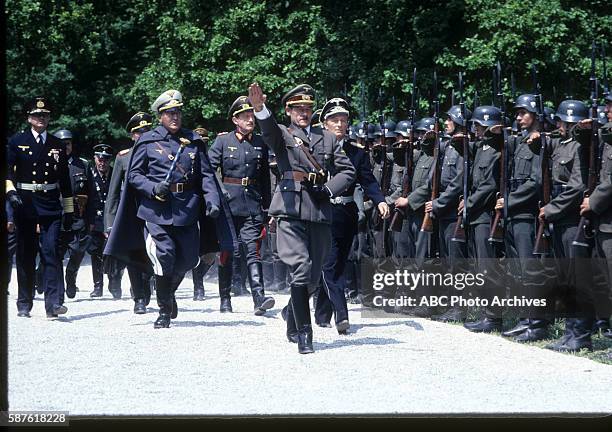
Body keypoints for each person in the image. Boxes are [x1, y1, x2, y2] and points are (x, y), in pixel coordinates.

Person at [104, 89, 235, 328]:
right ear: (160, 116)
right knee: (164, 256)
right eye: (169, 113)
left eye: (178, 112)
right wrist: (153, 188)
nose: (175, 117)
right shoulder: (147, 141)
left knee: (187, 260)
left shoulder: (192, 141)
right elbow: (134, 175)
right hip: (156, 211)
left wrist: (213, 200)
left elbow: (206, 176)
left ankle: (168, 292)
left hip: (187, 209)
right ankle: (164, 311)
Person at [248, 82, 356, 354]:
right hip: (291, 208)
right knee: (301, 266)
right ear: (288, 111)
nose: (303, 113)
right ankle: (305, 335)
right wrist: (260, 109)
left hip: (319, 211)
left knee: (313, 273)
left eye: (307, 109)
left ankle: (292, 321)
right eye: (298, 109)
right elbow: (269, 131)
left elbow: (347, 171)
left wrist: (328, 190)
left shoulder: (327, 138)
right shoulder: (283, 134)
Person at [313, 97, 389, 333]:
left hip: (346, 212)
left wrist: (380, 201)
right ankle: (341, 315)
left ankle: (317, 313)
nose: (339, 124)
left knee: (338, 263)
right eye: (334, 120)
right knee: (330, 263)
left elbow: (368, 180)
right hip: (324, 212)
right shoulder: (315, 149)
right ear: (324, 123)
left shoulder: (356, 153)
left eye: (343, 120)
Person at [7, 97, 74, 318]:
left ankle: (53, 304)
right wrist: (11, 193)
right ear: (29, 118)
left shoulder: (57, 144)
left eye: (44, 115)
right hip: (24, 204)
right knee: (26, 254)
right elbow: (7, 172)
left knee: (51, 252)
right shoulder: (17, 141)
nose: (41, 119)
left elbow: (65, 181)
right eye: (37, 115)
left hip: (50, 205)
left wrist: (70, 211)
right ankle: (24, 302)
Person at [207, 96, 275, 315]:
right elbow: (208, 171)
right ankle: (225, 298)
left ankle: (259, 298)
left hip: (252, 205)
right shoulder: (223, 141)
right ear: (235, 120)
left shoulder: (260, 143)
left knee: (253, 251)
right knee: (228, 252)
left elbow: (265, 178)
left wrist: (268, 207)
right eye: (245, 116)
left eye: (251, 115)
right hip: (228, 205)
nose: (250, 119)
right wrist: (219, 194)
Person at [104, 112, 154, 313]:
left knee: (154, 253)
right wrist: (110, 221)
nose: (143, 135)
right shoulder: (124, 158)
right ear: (133, 136)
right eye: (138, 132)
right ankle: (139, 297)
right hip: (131, 213)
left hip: (154, 211)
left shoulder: (159, 153)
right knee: (135, 254)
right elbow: (113, 192)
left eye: (146, 131)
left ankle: (147, 285)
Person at [55, 129, 89, 299]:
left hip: (77, 216)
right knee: (55, 256)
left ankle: (71, 276)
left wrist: (90, 219)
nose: (65, 147)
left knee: (77, 252)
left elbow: (91, 194)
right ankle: (58, 295)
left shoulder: (82, 165)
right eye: (61, 144)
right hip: (56, 217)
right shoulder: (48, 163)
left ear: (71, 145)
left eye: (67, 143)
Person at [87, 144, 117, 298]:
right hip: (96, 219)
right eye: (99, 159)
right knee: (95, 253)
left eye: (105, 160)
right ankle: (98, 286)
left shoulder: (114, 175)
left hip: (112, 219)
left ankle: (113, 281)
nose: (102, 162)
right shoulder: (89, 174)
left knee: (112, 253)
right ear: (95, 159)